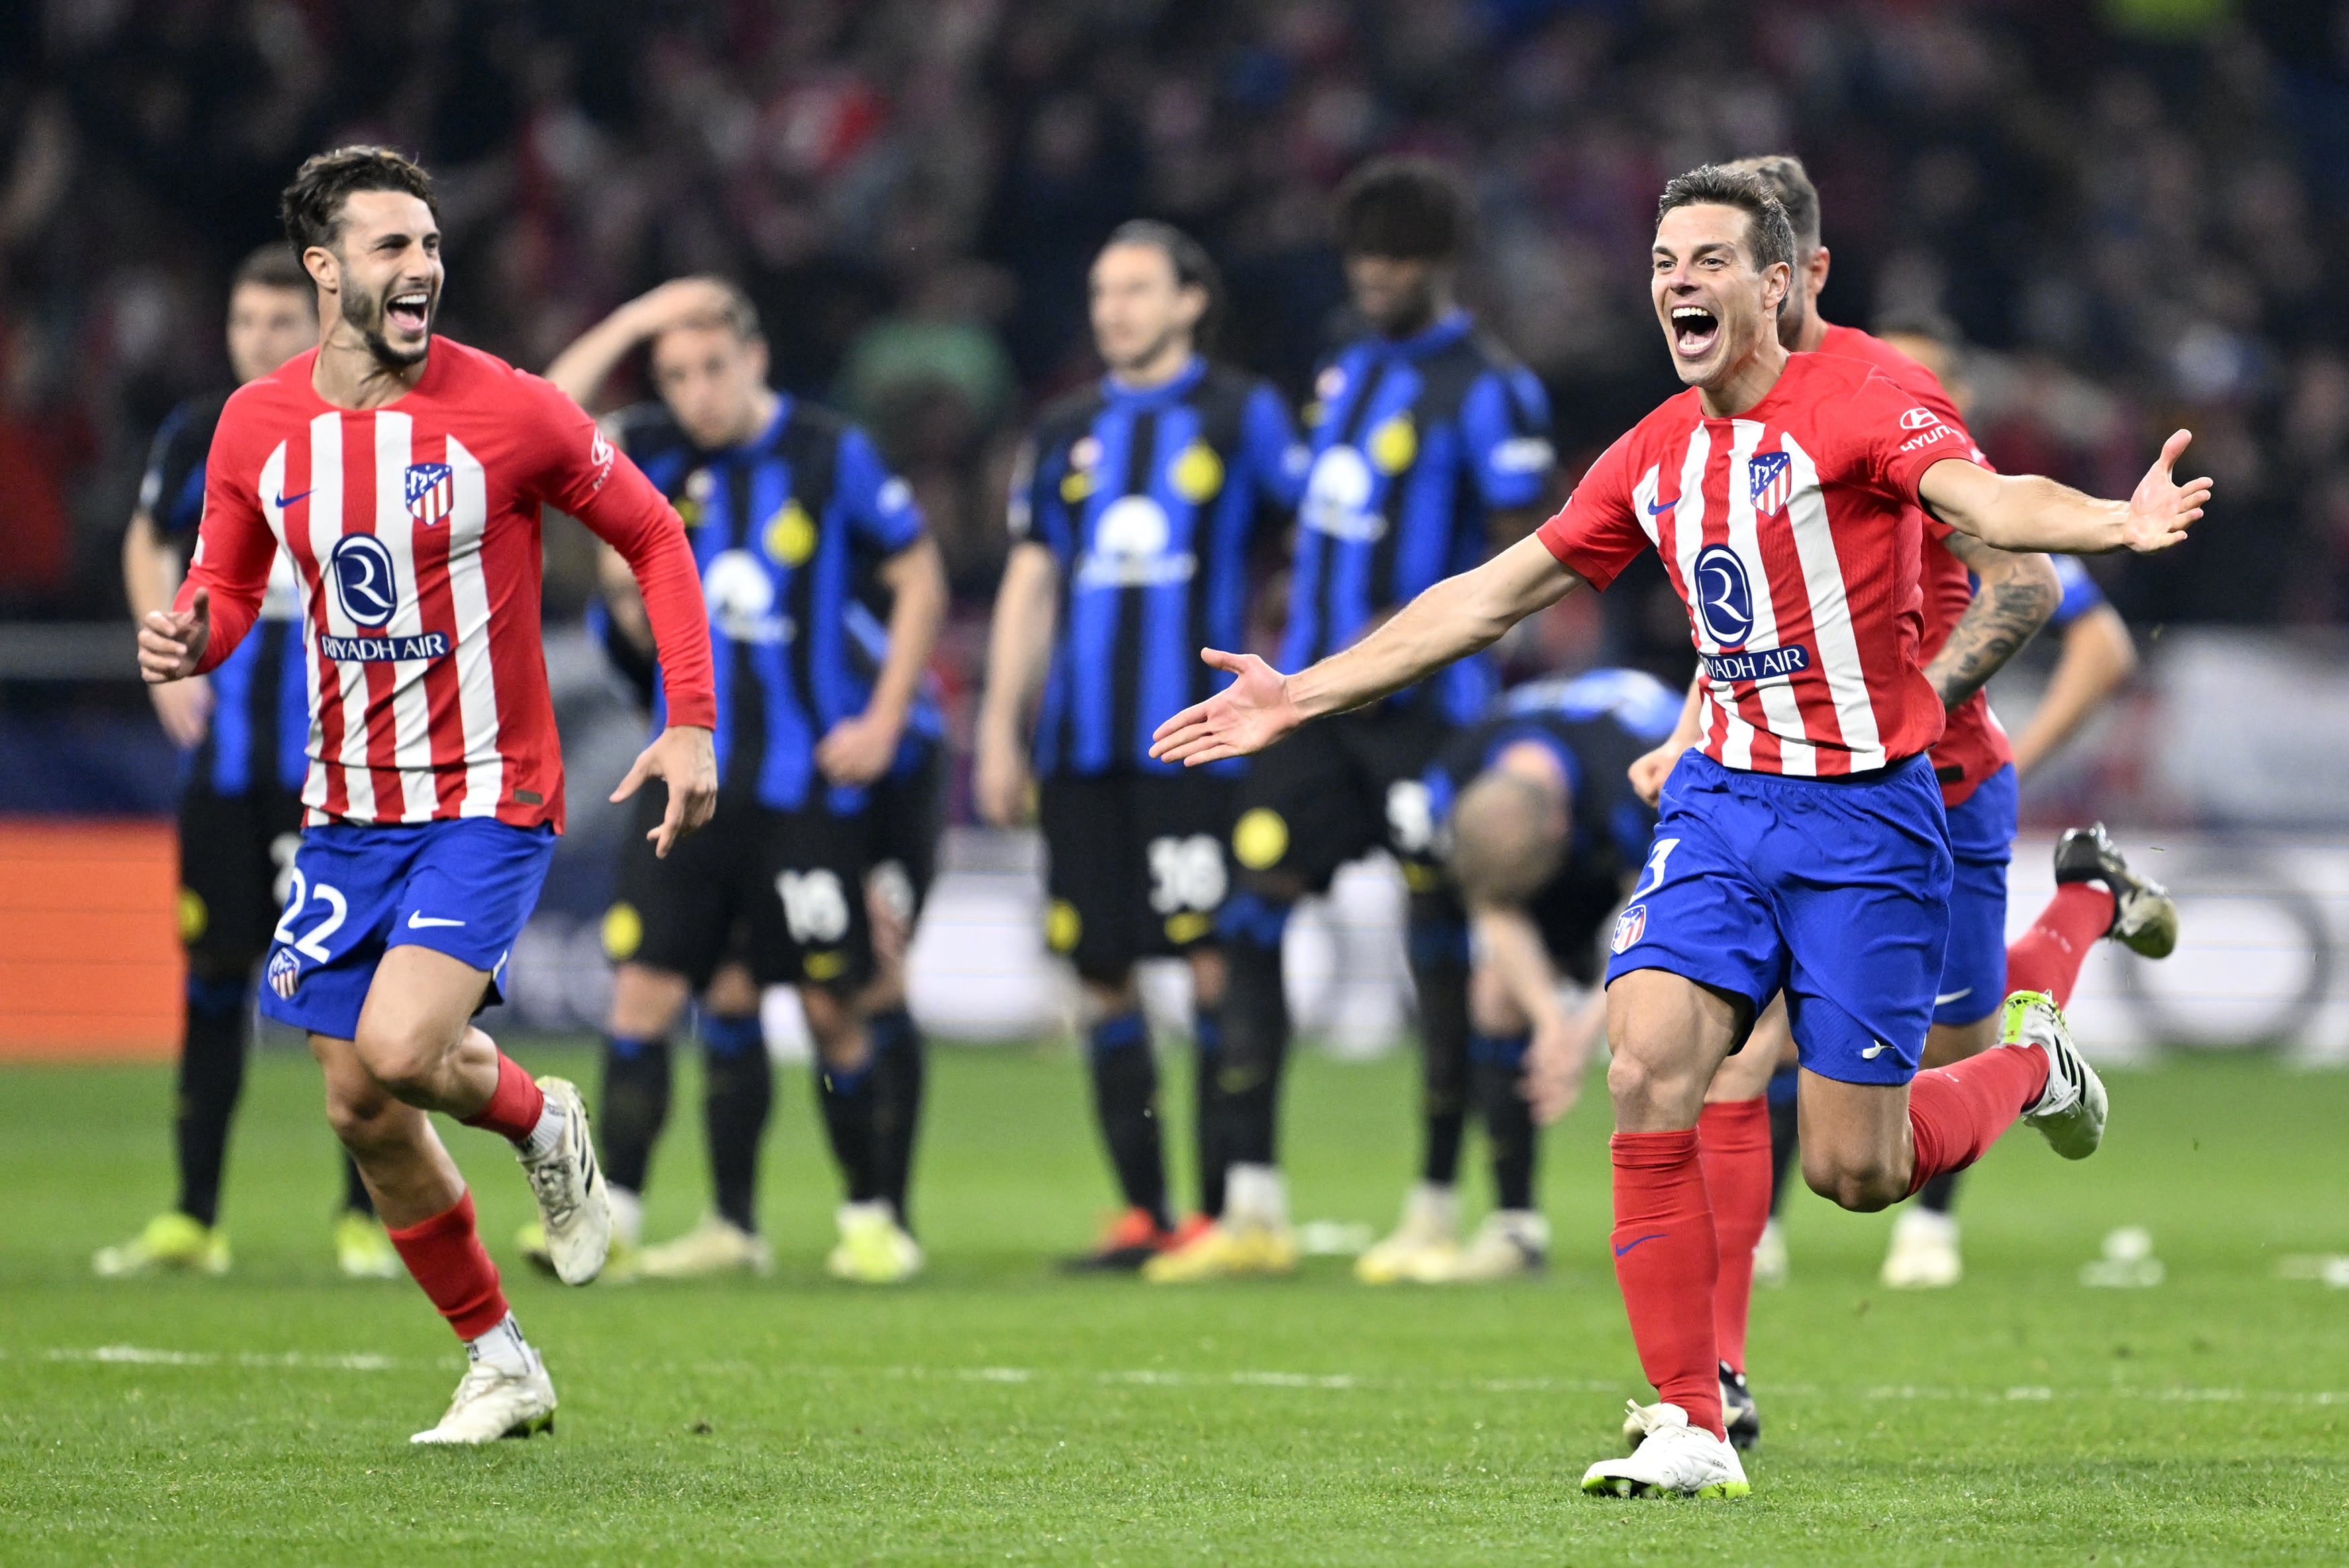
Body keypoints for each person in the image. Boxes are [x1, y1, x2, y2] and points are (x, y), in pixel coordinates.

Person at [1150, 164, 2209, 1498]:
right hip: (1719, 799)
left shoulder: (1867, 403)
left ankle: (2030, 1068)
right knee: (1648, 1066)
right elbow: (1492, 593)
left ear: (1777, 284)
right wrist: (1300, 692)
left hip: (1866, 819)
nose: (1677, 283)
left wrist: (2119, 516)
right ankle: (1687, 1416)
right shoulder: (1656, 452)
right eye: (1663, 262)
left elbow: (1996, 516)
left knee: (1854, 1169)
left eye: (1707, 260)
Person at [138, 146, 718, 1443]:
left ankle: (537, 1112)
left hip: (486, 795)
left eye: (432, 244)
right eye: (393, 247)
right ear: (324, 267)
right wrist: (190, 630)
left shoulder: (512, 410)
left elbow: (655, 533)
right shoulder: (256, 424)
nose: (424, 269)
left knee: (403, 1053)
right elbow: (231, 586)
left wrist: (689, 721)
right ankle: (502, 1360)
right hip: (347, 806)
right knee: (360, 1106)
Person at [1663, 163, 2172, 1330]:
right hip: (1784, 794)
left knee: (1953, 1054)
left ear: (1800, 270)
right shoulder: (1730, 411)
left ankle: (2079, 912)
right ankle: (1712, 1382)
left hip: (1927, 791)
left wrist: (1917, 712)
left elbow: (2031, 581)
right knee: (1733, 1055)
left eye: (1742, 259)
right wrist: (1697, 725)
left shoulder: (1893, 404)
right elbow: (1747, 599)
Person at [1149, 157, 1557, 1284]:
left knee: (1453, 948)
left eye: (1394, 263)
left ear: (1437, 265)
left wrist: (1415, 643)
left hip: (1435, 718)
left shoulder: (1490, 388)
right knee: (1249, 910)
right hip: (1320, 711)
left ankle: (1473, 1209)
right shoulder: (1340, 366)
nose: (1374, 279)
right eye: (1363, 260)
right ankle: (1252, 1206)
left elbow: (1524, 562)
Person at [540, 277, 948, 1285]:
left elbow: (920, 575)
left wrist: (885, 714)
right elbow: (543, 413)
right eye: (673, 373)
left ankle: (870, 1219)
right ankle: (619, 1219)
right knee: (648, 994)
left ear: (755, 359)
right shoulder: (648, 446)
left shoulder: (826, 452)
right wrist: (632, 321)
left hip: (803, 786)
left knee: (830, 1003)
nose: (696, 391)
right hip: (685, 779)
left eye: (712, 367)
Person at [976, 221, 1301, 1270]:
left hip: (1199, 745)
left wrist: (1299, 683)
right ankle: (1144, 1212)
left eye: (1136, 289)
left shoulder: (1241, 412)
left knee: (1213, 963)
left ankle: (1225, 1209)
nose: (1113, 308)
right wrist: (998, 727)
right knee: (1102, 972)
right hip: (1079, 749)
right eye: (1102, 290)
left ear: (1190, 301)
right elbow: (1031, 581)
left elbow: (1311, 546)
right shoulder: (1062, 426)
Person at [97, 246, 402, 1284]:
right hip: (226, 769)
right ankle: (193, 1215)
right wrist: (164, 653)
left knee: (352, 991)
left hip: (339, 766)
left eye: (281, 323)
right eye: (245, 323)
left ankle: (363, 1214)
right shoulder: (205, 431)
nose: (261, 341)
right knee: (216, 978)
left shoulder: (361, 425)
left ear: (319, 323)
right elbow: (147, 538)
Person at [1360, 668, 1682, 1283]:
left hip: (1660, 854)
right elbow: (1493, 903)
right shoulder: (1454, 773)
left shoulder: (1638, 775)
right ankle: (1516, 1228)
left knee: (1673, 1018)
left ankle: (1706, 1222)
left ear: (1560, 831)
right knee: (1494, 999)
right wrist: (1548, 1021)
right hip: (1553, 838)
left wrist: (1586, 1028)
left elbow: (1651, 911)